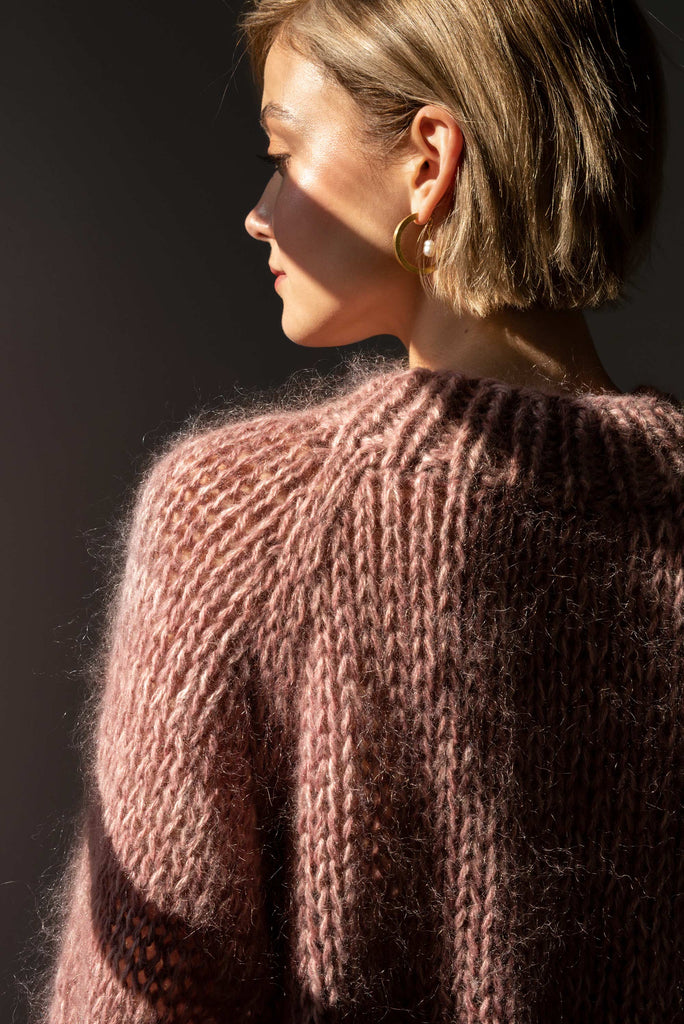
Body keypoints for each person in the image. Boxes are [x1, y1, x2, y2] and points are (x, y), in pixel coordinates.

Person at [32, 0, 682, 1022]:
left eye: (285, 150)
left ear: (430, 162)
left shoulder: (247, 520)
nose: (259, 209)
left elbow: (138, 1004)